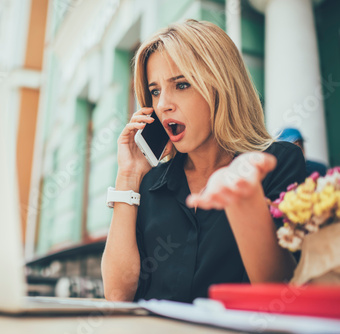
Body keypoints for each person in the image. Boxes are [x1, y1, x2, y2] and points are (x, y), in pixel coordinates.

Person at [101, 19, 306, 303]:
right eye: (156, 90)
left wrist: (246, 201)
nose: (163, 105)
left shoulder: (277, 162)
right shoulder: (148, 185)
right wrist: (128, 176)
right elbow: (116, 295)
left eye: (181, 84)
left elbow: (278, 292)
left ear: (221, 86)